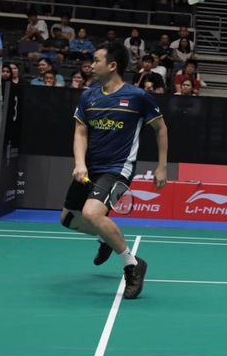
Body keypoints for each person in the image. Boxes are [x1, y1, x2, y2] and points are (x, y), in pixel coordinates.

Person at [60, 42, 168, 300]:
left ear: (112, 65)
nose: (91, 65)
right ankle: (107, 239)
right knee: (68, 219)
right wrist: (79, 162)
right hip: (90, 168)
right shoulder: (89, 96)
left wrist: (161, 166)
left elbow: (161, 129)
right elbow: (80, 131)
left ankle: (132, 265)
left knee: (92, 212)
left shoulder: (137, 97)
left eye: (96, 61)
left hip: (118, 168)